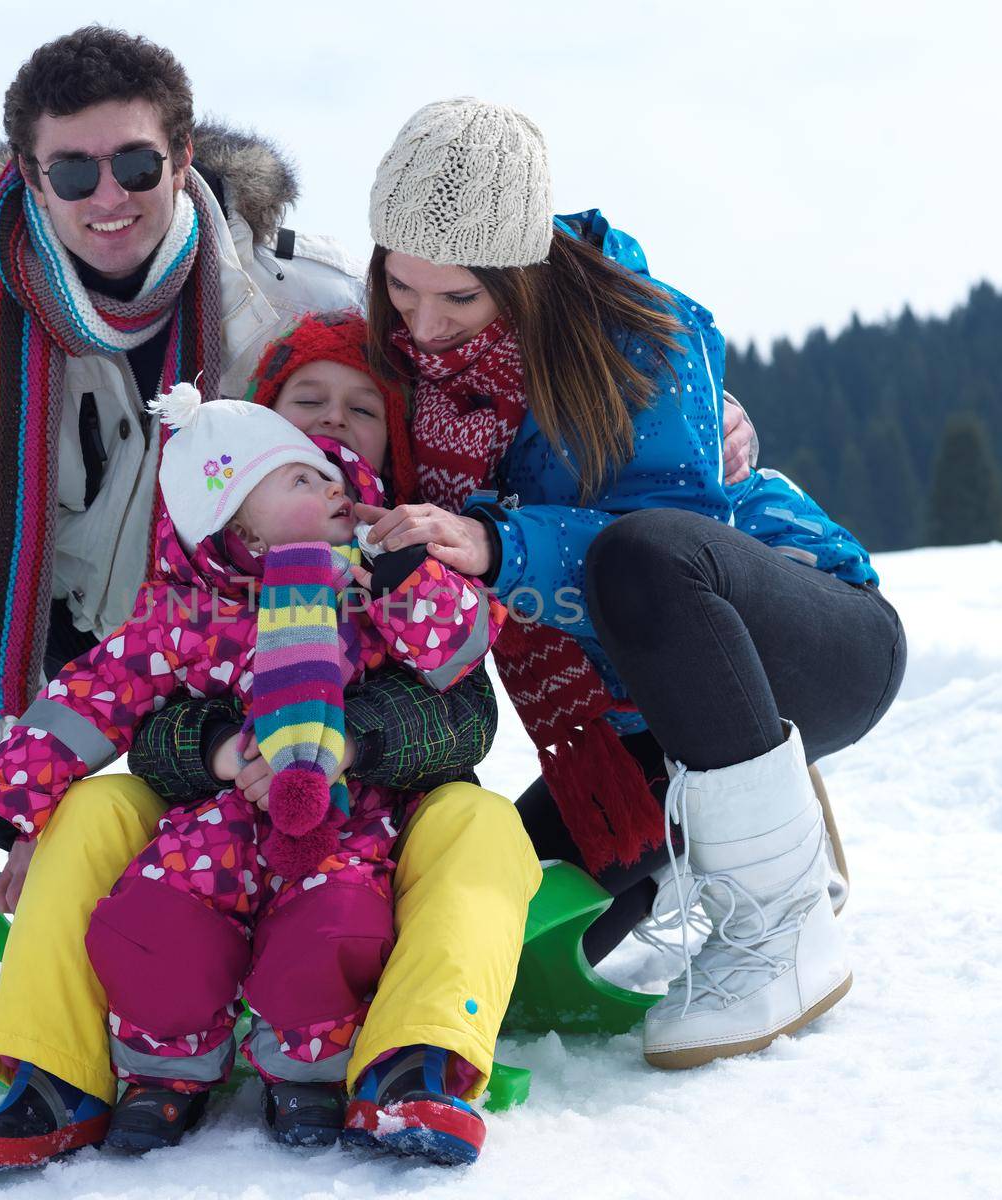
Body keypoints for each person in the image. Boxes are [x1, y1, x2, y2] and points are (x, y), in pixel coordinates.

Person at [0, 26, 369, 1058]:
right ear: (29, 173)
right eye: (70, 169)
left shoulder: (296, 292)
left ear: (183, 157)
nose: (105, 195)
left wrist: (690, 415)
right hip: (58, 628)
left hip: (226, 632)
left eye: (133, 163)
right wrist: (23, 785)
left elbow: (456, 365)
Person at [352, 98, 908, 1071]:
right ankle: (738, 811)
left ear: (520, 279)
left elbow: (672, 546)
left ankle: (780, 931)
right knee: (506, 956)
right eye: (402, 289)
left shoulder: (637, 338)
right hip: (634, 724)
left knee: (641, 555)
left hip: (803, 645)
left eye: (460, 300)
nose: (424, 325)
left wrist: (493, 542)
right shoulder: (404, 378)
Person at [0, 311, 535, 1170]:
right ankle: (54, 1072)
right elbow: (111, 696)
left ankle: (415, 1061)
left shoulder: (390, 563)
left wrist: (351, 737)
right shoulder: (188, 587)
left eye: (362, 409)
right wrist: (209, 752)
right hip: (211, 826)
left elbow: (466, 708)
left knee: (482, 826)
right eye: (308, 399)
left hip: (377, 817)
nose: (333, 419)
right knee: (97, 806)